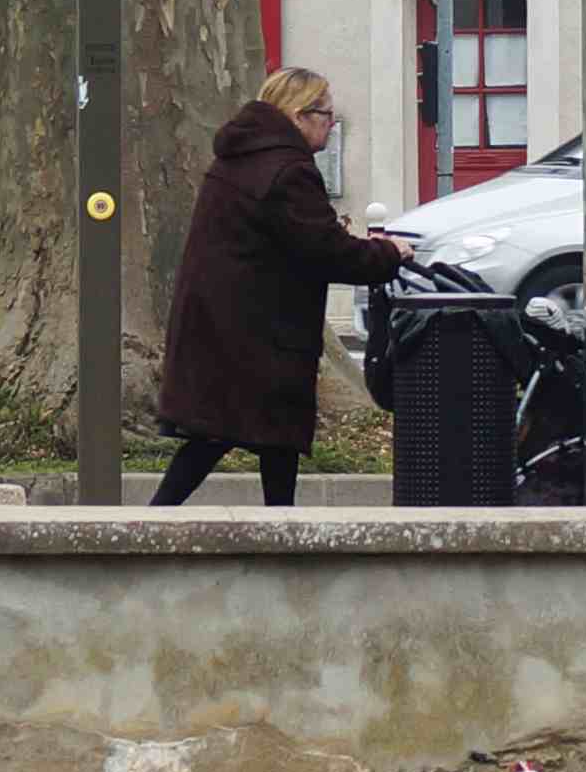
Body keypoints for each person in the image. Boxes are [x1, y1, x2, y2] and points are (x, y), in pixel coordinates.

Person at [151, 67, 405, 509]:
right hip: (259, 330)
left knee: (257, 433)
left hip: (226, 319)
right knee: (240, 429)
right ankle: (163, 521)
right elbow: (325, 249)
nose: (331, 123)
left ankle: (277, 526)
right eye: (326, 114)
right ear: (301, 115)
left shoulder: (240, 156)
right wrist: (389, 255)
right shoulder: (288, 171)